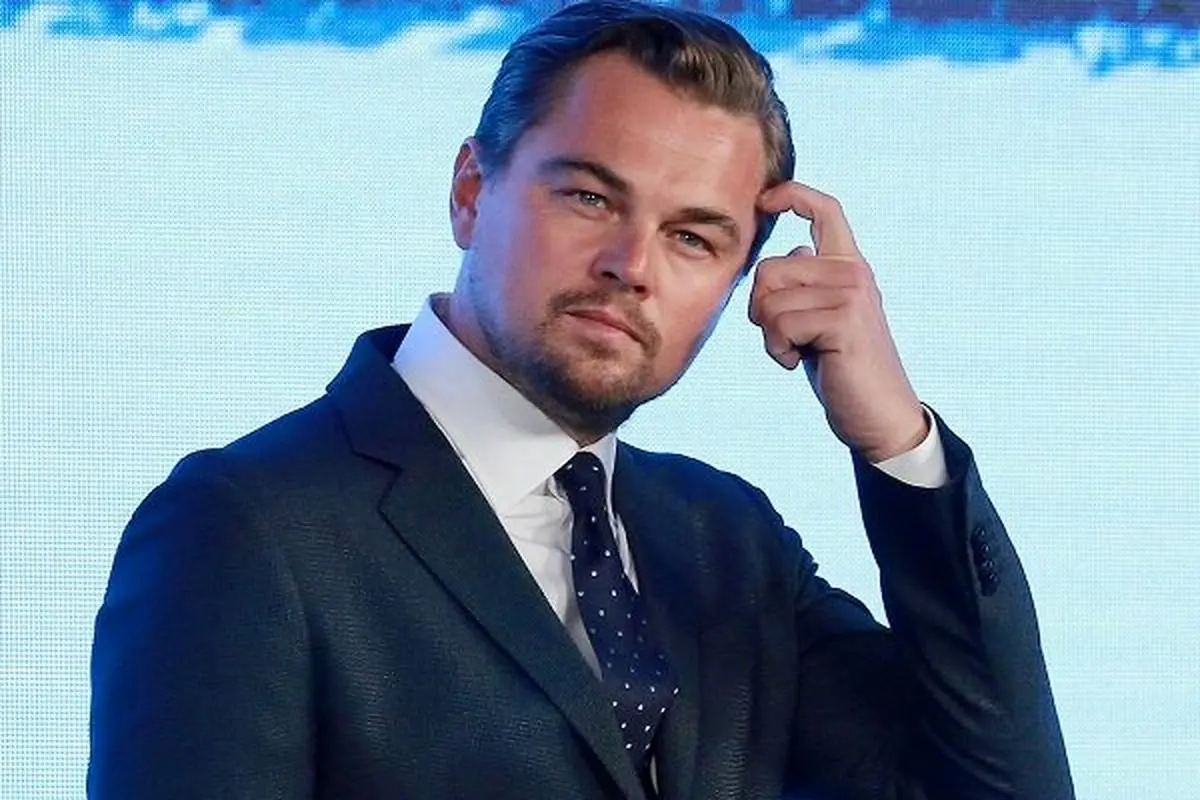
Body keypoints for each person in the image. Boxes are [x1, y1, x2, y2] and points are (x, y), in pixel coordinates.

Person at [88, 2, 1074, 798]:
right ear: (471, 190)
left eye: (694, 238)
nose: (631, 265)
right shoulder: (246, 525)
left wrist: (897, 442)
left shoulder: (727, 540)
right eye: (590, 197)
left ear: (739, 283)